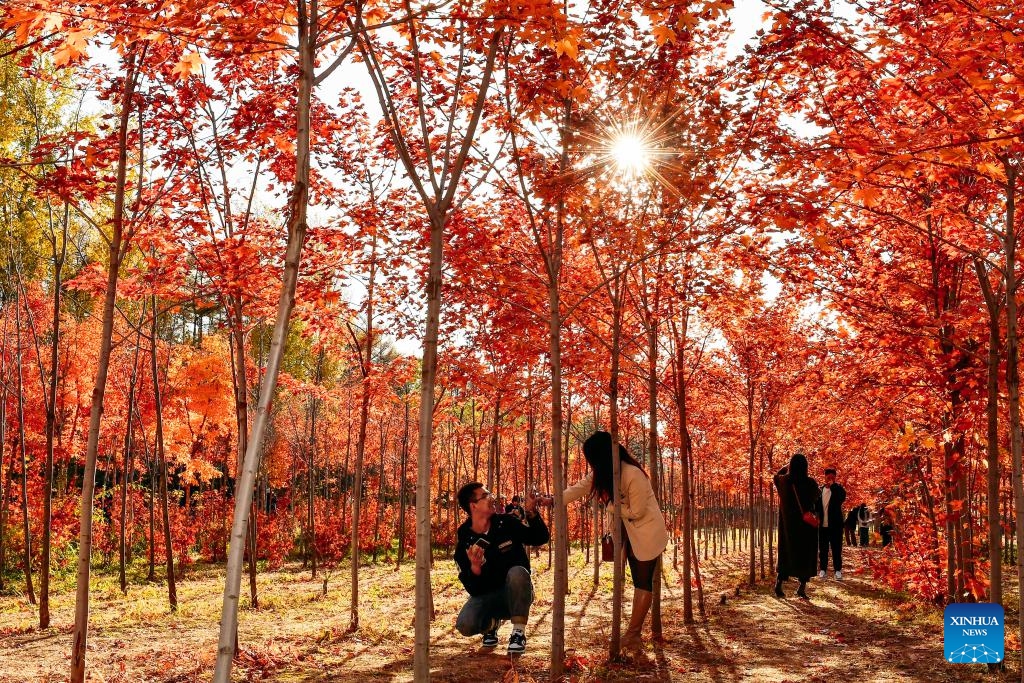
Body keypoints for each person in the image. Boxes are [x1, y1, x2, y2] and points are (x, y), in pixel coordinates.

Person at [563, 431, 668, 656]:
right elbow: (578, 489)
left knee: (643, 582)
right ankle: (633, 635)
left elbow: (638, 512)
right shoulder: (603, 474)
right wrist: (551, 500)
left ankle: (633, 634)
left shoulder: (632, 474)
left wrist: (610, 506)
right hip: (629, 534)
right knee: (637, 582)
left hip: (647, 532)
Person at [453, 482, 549, 654]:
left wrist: (531, 512)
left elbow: (539, 537)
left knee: (517, 572)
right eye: (485, 496)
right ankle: (490, 624)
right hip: (488, 596)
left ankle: (518, 633)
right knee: (465, 624)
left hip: (517, 593)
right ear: (473, 505)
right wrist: (475, 567)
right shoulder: (465, 541)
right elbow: (472, 588)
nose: (492, 498)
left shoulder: (506, 523)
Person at [773, 453, 821, 599]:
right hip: (805, 528)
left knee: (786, 553)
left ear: (791, 465)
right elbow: (816, 496)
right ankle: (801, 587)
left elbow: (776, 475)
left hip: (787, 527)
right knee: (805, 556)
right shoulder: (810, 483)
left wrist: (787, 467)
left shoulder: (783, 482)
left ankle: (779, 585)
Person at [817, 467, 847, 580]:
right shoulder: (820, 490)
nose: (830, 479)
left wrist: (833, 486)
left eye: (832, 477)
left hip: (836, 526)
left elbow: (841, 499)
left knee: (836, 549)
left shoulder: (839, 489)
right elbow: (815, 505)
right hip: (822, 526)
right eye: (828, 477)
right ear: (824, 477)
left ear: (835, 477)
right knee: (823, 549)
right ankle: (823, 570)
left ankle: (838, 571)